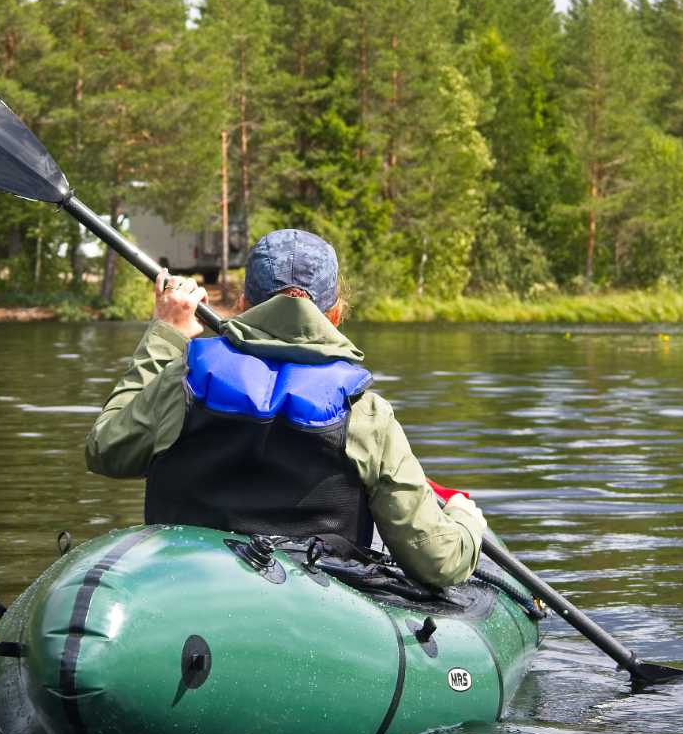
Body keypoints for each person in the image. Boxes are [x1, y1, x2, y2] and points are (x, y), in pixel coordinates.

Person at [84, 228, 488, 590]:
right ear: (335, 314)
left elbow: (107, 448)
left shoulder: (182, 379)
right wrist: (465, 519)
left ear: (243, 304)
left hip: (184, 591)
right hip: (312, 612)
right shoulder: (365, 412)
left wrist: (166, 335)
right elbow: (439, 562)